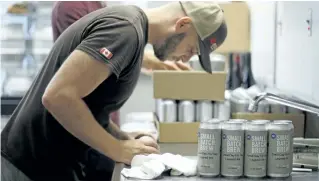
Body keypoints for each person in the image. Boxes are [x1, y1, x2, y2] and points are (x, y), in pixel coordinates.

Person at [1, 2, 228, 181]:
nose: (185, 58)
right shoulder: (125, 30)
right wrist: (118, 149)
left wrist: (121, 136)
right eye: (191, 49)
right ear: (182, 24)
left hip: (48, 164)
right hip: (27, 165)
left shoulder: (133, 30)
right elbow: (58, 97)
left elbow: (87, 104)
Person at [51, 2, 190, 180]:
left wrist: (119, 137)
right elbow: (65, 93)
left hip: (93, 134)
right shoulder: (74, 6)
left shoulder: (103, 8)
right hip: (60, 148)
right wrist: (118, 148)